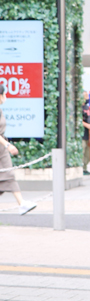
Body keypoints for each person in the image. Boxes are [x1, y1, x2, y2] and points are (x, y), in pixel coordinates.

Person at [0, 84, 36, 215]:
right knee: (7, 175)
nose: (6, 96)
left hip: (2, 149)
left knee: (8, 175)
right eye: (4, 94)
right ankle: (22, 203)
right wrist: (7, 145)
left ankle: (22, 204)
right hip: (3, 146)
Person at [82, 91, 90, 176]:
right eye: (86, 96)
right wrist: (88, 126)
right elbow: (79, 121)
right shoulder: (79, 108)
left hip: (89, 134)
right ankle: (82, 168)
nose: (87, 98)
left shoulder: (87, 107)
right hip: (82, 134)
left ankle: (85, 167)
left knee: (89, 151)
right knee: (82, 150)